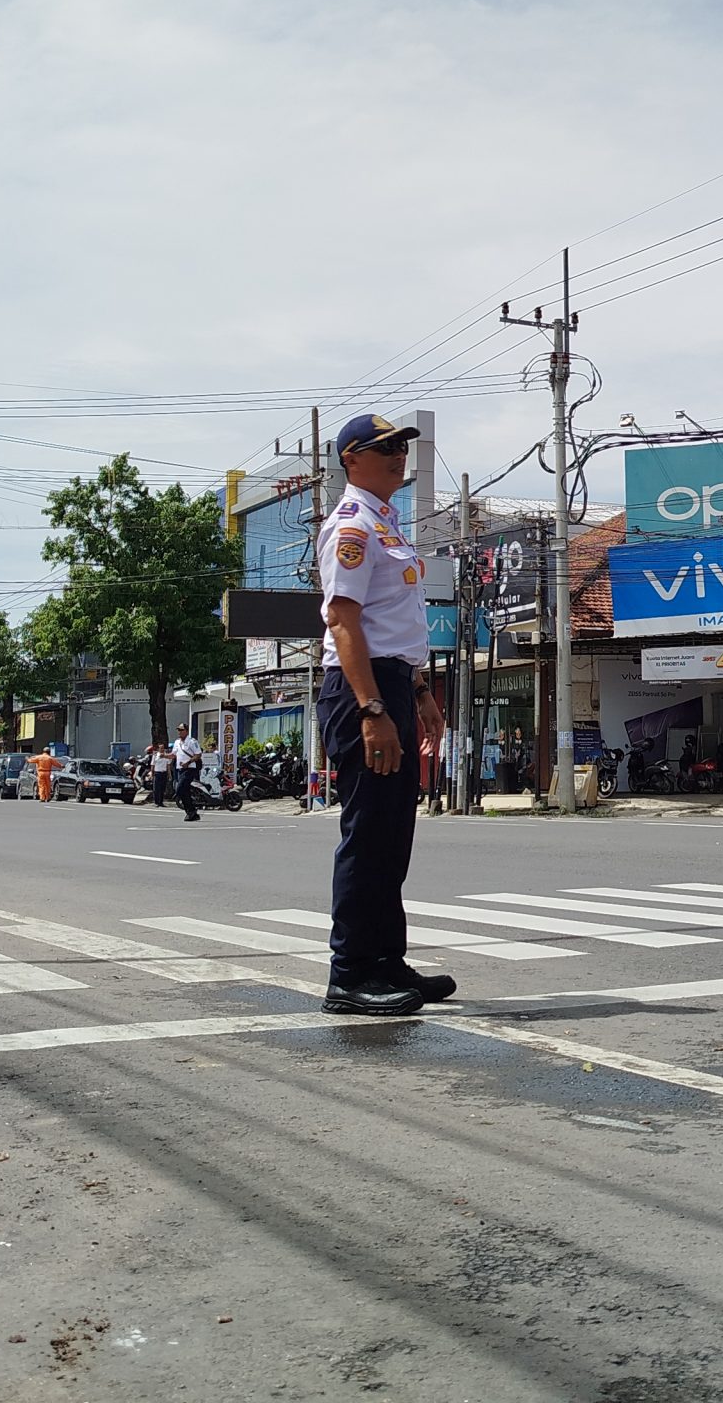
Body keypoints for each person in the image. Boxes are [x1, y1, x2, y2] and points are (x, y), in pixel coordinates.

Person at [316, 412, 449, 1016]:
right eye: (384, 448)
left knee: (394, 838)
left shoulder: (387, 523)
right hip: (358, 690)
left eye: (401, 446)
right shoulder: (352, 526)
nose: (398, 455)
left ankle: (386, 961)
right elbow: (344, 622)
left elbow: (396, 627)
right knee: (368, 836)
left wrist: (419, 697)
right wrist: (372, 708)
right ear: (351, 460)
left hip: (391, 683)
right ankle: (349, 974)